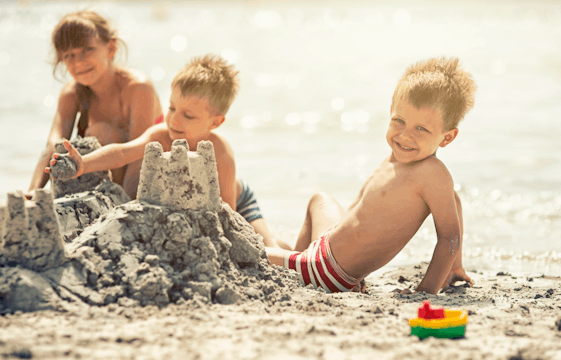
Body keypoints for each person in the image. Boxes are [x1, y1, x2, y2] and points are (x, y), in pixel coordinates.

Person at [266, 57, 476, 295]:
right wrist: (455, 265)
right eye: (399, 121)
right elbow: (453, 201)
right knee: (319, 199)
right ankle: (297, 269)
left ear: (447, 137)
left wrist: (425, 291)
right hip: (324, 251)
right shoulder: (400, 157)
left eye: (421, 129)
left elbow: (449, 236)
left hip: (328, 271)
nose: (405, 136)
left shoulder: (432, 172)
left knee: (251, 252)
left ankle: (300, 270)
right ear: (390, 113)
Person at [46, 54, 277, 247]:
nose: (174, 120)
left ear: (215, 122)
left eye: (188, 115)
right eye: (172, 107)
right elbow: (122, 153)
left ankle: (301, 250)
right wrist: (85, 164)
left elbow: (227, 212)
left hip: (240, 200)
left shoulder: (220, 151)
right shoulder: (161, 135)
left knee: (268, 248)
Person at [27, 10, 163, 200]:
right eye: (69, 55)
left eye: (86, 50)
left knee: (100, 132)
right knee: (68, 147)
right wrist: (33, 192)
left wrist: (129, 206)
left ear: (111, 48)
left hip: (149, 176)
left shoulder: (137, 88)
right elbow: (53, 147)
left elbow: (140, 155)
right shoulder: (71, 94)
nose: (78, 62)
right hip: (104, 182)